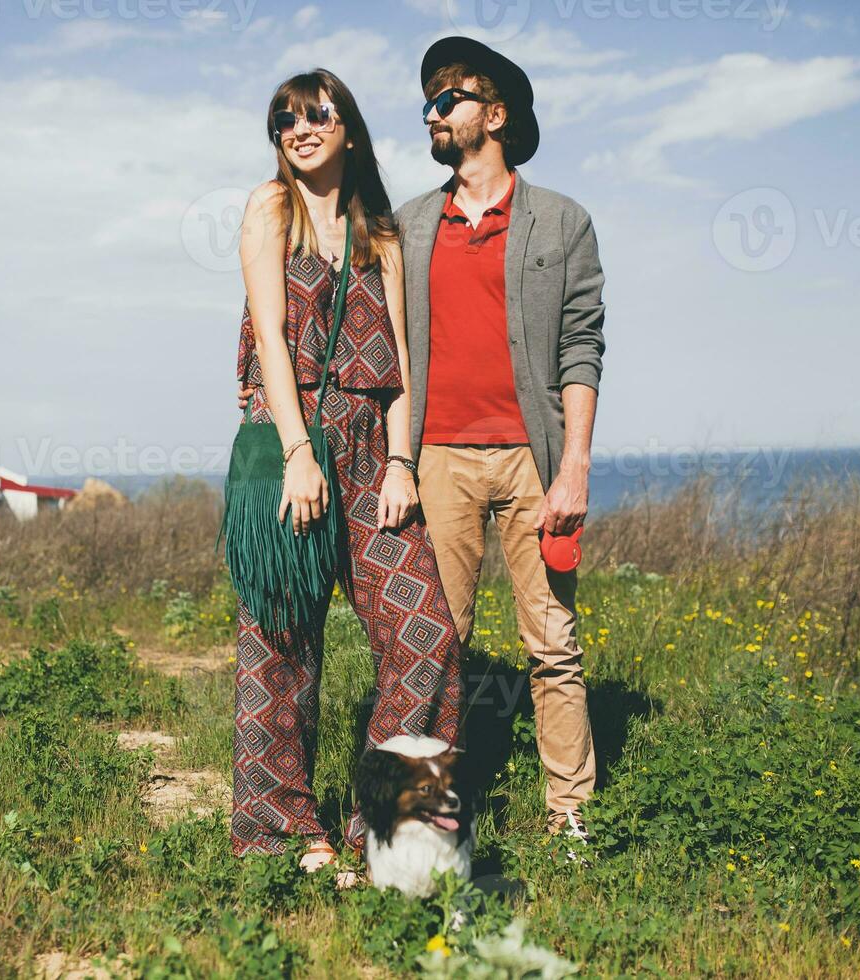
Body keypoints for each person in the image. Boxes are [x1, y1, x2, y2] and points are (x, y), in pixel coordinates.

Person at [241, 37, 609, 844]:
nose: (435, 112)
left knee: (504, 642)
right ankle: (351, 825)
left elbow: (580, 343)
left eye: (451, 99)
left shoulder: (549, 221)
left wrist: (573, 463)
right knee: (365, 642)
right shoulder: (391, 221)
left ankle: (529, 817)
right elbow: (301, 339)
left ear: (497, 114)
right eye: (429, 103)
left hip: (491, 458)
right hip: (372, 455)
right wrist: (319, 453)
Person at [229, 68, 464, 872]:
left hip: (372, 452)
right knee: (281, 642)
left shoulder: (383, 235)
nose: (300, 130)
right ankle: (281, 830)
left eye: (317, 116)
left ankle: (397, 827)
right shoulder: (270, 209)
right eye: (284, 120)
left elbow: (401, 361)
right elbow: (268, 338)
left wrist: (403, 461)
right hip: (288, 443)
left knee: (424, 633)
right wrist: (298, 452)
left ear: (350, 130)